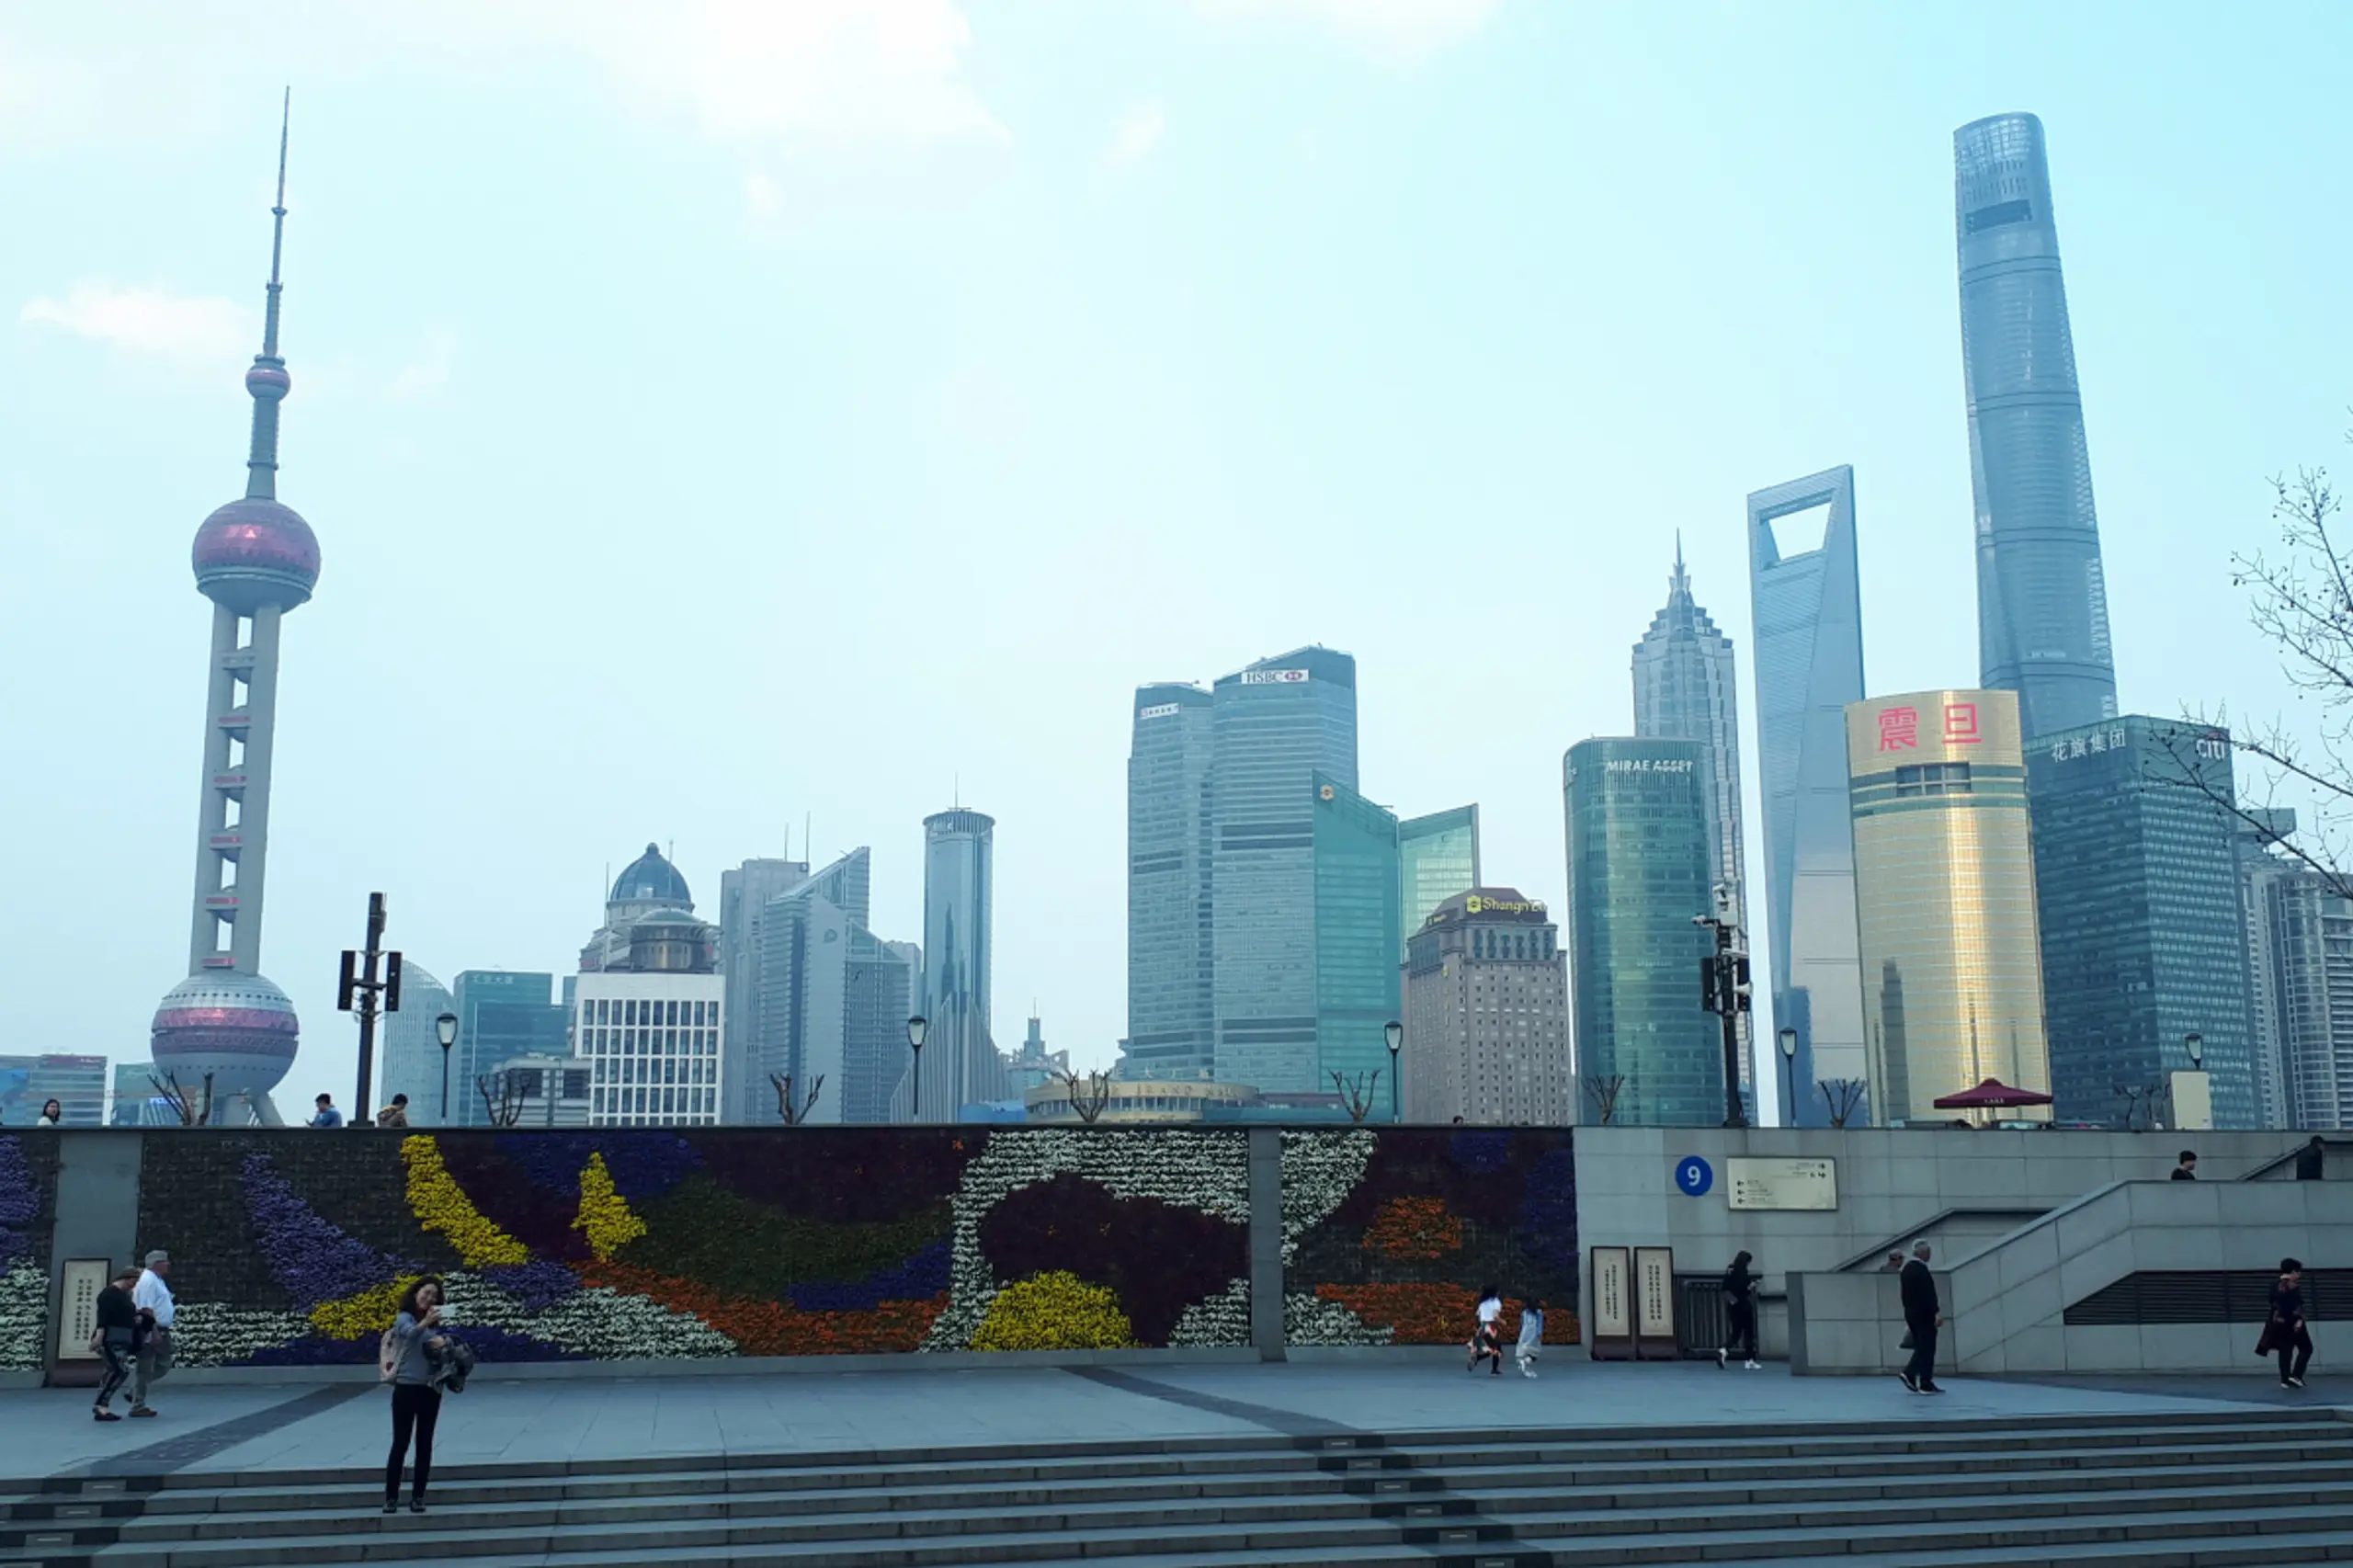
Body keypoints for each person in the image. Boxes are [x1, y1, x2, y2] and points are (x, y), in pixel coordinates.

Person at [385, 1276, 451, 1513]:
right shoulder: (405, 1318)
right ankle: (391, 1497)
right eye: (426, 1293)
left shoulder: (435, 1325)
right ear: (416, 1293)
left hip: (430, 1389)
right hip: (406, 1387)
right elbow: (409, 1334)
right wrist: (426, 1323)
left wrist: (443, 1344)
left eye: (434, 1295)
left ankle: (418, 1497)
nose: (429, 1298)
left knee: (424, 1444)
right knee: (400, 1442)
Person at [90, 1265, 143, 1421]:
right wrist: (99, 1336)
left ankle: (102, 1405)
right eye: (133, 1281)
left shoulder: (123, 1295)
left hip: (121, 1339)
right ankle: (100, 1405)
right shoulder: (108, 1295)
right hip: (110, 1339)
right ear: (126, 1278)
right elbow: (103, 1317)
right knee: (119, 1371)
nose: (134, 1285)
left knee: (113, 1371)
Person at [127, 1250, 175, 1416]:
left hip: (160, 1329)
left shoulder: (157, 1280)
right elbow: (145, 1308)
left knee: (163, 1363)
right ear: (157, 1264)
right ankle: (137, 1404)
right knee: (145, 1367)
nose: (168, 1264)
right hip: (150, 1329)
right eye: (165, 1262)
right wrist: (152, 1331)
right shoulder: (148, 1281)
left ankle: (135, 1391)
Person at [1897, 1240, 1944, 1394]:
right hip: (1924, 1314)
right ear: (1923, 1254)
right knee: (1927, 1347)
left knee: (1922, 1346)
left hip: (1911, 1313)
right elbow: (1928, 1294)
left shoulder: (1907, 1270)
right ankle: (1920, 1379)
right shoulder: (1921, 1271)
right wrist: (1935, 1312)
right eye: (1929, 1252)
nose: (1930, 1255)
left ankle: (1919, 1378)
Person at [2261, 1256, 2314, 1389]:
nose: (2299, 1275)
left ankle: (2285, 1379)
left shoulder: (2274, 1285)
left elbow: (2273, 1302)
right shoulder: (2290, 1286)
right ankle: (2296, 1376)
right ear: (2293, 1272)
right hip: (2293, 1323)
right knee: (2306, 1348)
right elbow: (2294, 1305)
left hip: (2279, 1324)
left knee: (2285, 1350)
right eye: (2298, 1272)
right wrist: (2299, 1320)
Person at [1719, 1250, 1760, 1369]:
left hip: (1732, 1305)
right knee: (1749, 1332)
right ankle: (1749, 1359)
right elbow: (1744, 1289)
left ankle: (1724, 1349)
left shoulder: (1730, 1270)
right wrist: (1751, 1286)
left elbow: (1725, 1287)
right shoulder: (1743, 1272)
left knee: (1736, 1332)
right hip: (1743, 1304)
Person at [1467, 1284, 1505, 1376]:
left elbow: (1477, 1315)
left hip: (1483, 1326)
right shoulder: (1496, 1302)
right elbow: (1495, 1316)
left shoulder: (1482, 1303)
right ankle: (1492, 1368)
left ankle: (1490, 1366)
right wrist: (1502, 1321)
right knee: (1495, 1349)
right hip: (1491, 1327)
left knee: (1492, 1348)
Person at [1514, 1298, 1545, 1379]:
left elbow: (1522, 1323)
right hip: (1533, 1333)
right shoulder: (1539, 1313)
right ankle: (1526, 1363)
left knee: (1523, 1351)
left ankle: (1525, 1367)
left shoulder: (1524, 1313)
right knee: (1535, 1352)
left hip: (1524, 1332)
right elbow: (1539, 1324)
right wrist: (1539, 1334)